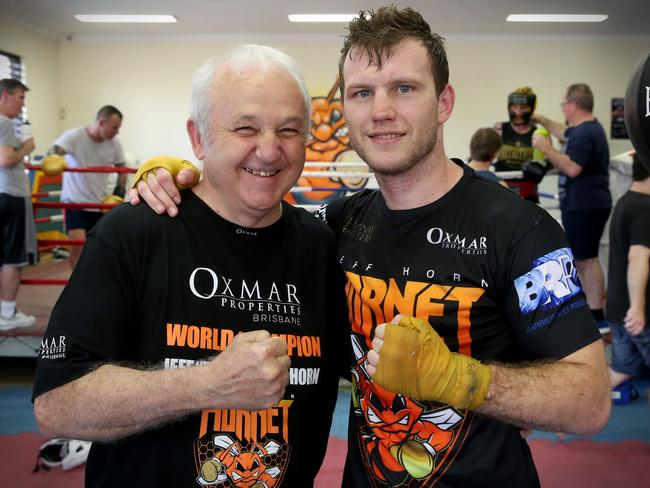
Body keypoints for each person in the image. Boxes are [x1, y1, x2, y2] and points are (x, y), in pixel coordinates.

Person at [131, 7, 611, 486]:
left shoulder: (519, 229)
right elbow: (254, 222)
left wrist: (464, 381)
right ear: (346, 110)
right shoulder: (338, 222)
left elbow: (589, 401)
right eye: (363, 92)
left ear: (443, 102)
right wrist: (187, 180)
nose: (381, 110)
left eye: (404, 88)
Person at [32, 45, 348, 487]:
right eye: (245, 127)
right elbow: (56, 406)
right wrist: (210, 384)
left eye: (289, 130)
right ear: (198, 138)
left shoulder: (322, 248)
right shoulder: (135, 232)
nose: (270, 150)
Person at [533, 84, 612, 334]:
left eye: (564, 104)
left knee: (585, 260)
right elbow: (565, 132)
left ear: (573, 106)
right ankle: (594, 311)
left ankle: (596, 314)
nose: (563, 109)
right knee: (585, 258)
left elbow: (572, 168)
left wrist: (546, 148)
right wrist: (541, 119)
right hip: (586, 203)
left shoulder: (585, 133)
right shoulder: (585, 128)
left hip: (585, 205)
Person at [48, 105, 128, 269]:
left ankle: (95, 285)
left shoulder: (114, 143)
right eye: (115, 127)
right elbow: (53, 151)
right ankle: (78, 288)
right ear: (101, 122)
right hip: (75, 203)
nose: (117, 131)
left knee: (100, 248)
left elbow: (122, 168)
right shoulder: (75, 137)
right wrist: (54, 158)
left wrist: (118, 193)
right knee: (78, 247)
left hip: (100, 205)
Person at [606, 155, 650, 390]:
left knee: (622, 369)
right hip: (638, 314)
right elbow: (637, 257)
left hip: (617, 309)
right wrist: (638, 307)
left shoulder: (625, 202)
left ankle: (564, 417)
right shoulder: (645, 209)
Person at [0, 78, 37, 330]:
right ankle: (7, 315)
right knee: (12, 257)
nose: (22, 104)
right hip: (10, 195)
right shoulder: (3, 121)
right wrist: (26, 147)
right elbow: (6, 159)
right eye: (20, 98)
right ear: (5, 96)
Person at [494, 86, 546, 202]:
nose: (518, 112)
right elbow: (485, 158)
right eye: (514, 107)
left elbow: (547, 160)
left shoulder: (538, 133)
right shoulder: (499, 129)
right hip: (501, 192)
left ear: (531, 109)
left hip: (528, 195)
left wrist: (544, 165)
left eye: (523, 108)